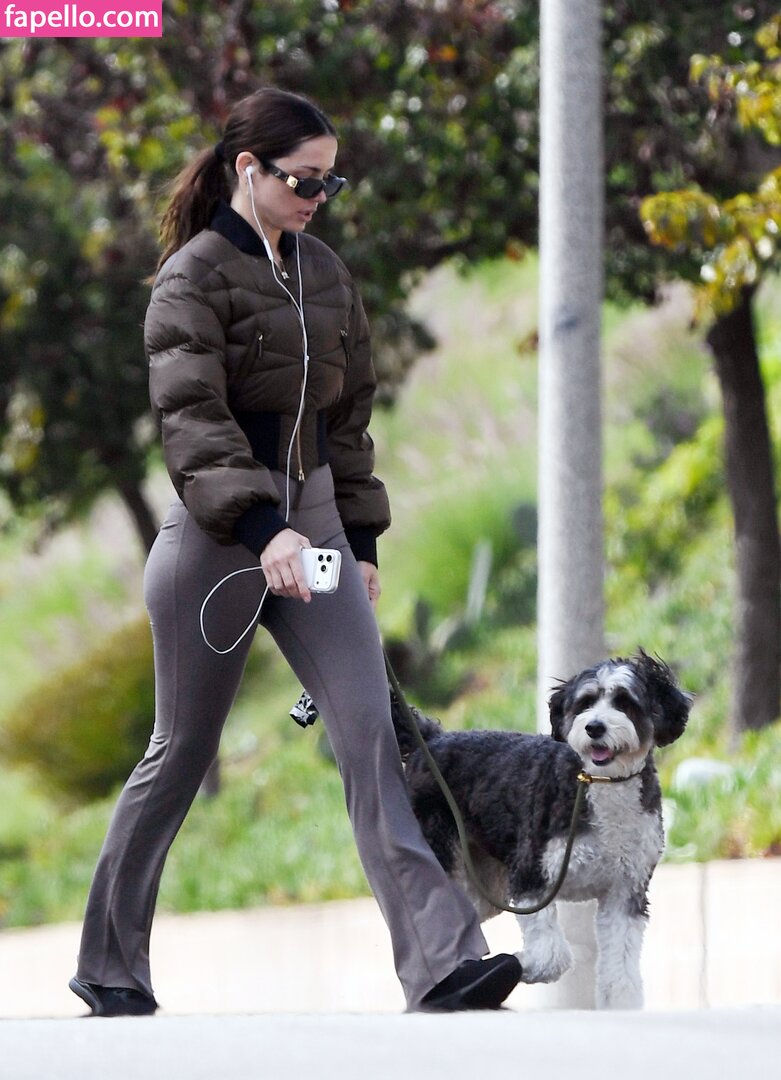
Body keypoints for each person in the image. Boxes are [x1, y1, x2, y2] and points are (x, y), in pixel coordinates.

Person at [69, 87, 521, 1016]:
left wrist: (357, 537)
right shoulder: (190, 279)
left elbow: (346, 422)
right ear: (248, 169)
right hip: (216, 542)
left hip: (312, 523)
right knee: (180, 750)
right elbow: (192, 422)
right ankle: (111, 966)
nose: (319, 197)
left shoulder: (325, 274)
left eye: (330, 182)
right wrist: (258, 529)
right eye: (304, 180)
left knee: (370, 734)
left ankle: (442, 963)